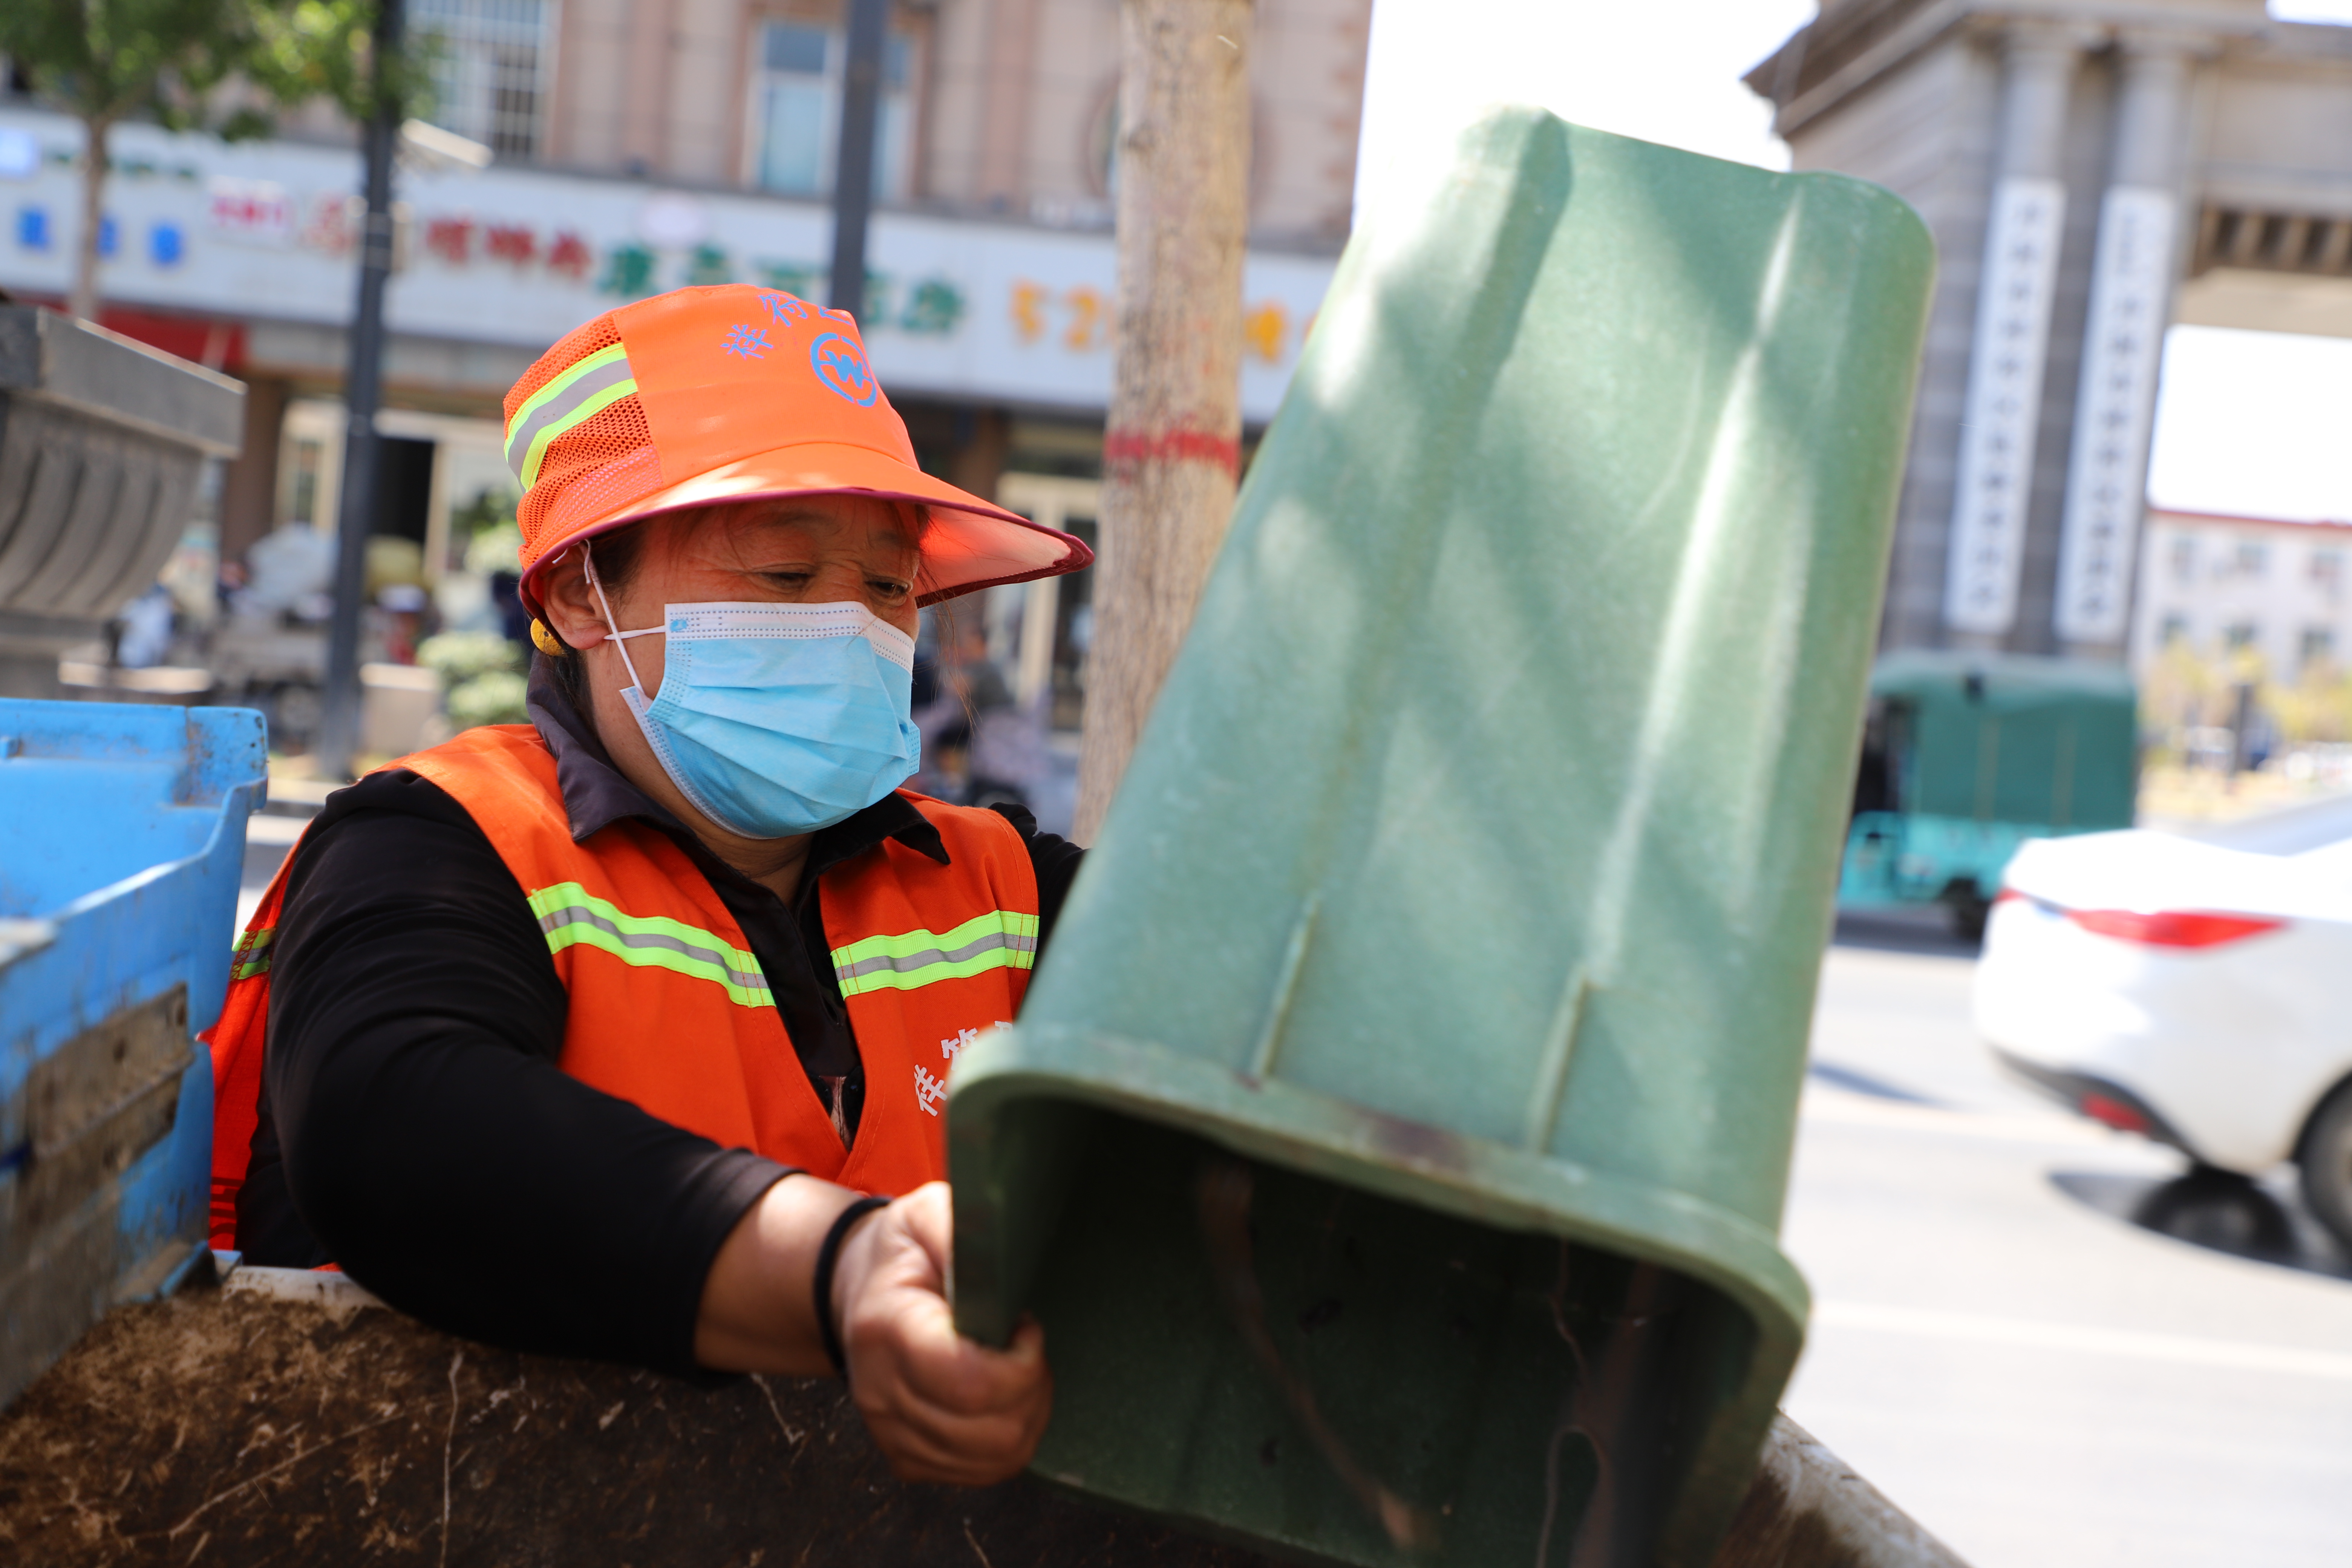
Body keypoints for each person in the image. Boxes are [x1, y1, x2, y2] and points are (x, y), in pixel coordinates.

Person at [205, 285, 1092, 1485]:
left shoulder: (995, 881)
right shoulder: (439, 841)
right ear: (582, 591)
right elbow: (392, 1118)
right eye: (786, 573)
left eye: (889, 587)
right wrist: (840, 1270)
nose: (852, 629)